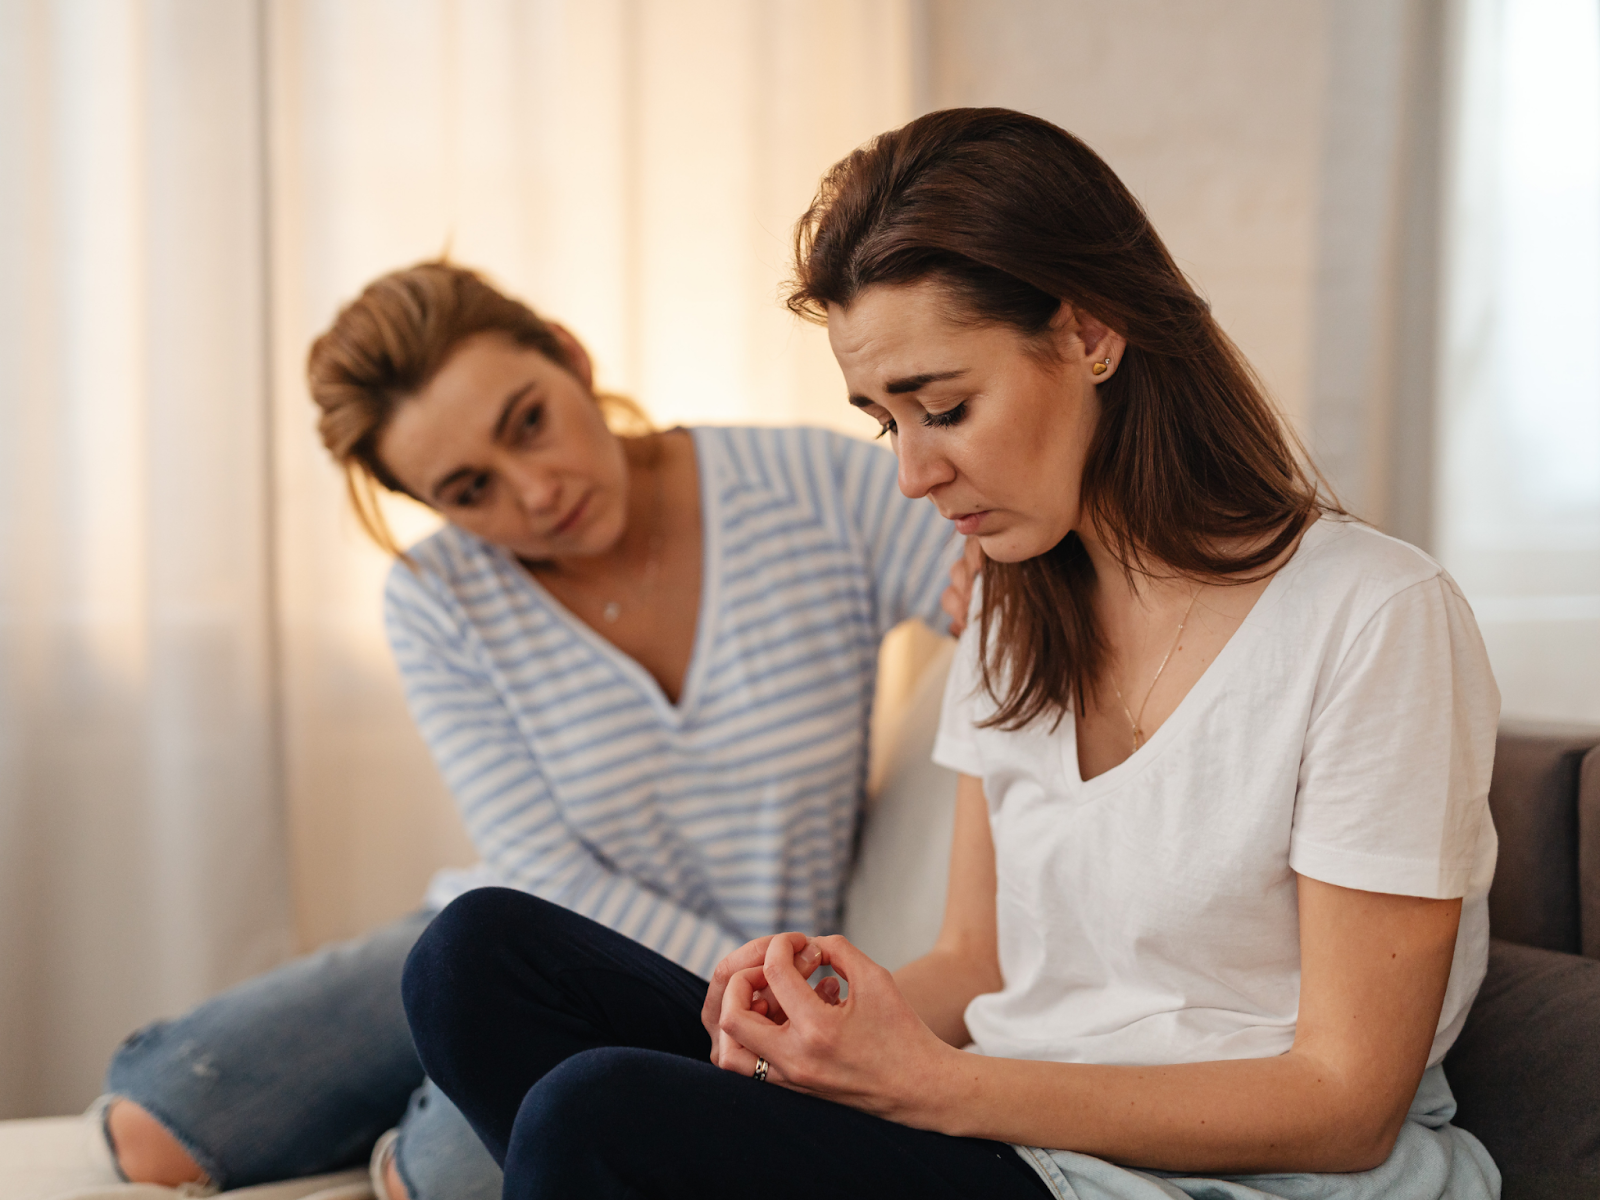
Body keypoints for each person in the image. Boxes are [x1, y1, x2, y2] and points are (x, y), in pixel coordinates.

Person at [401, 108, 1503, 1200]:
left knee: (595, 1114)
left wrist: (929, 1088)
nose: (912, 474)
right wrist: (816, 1014)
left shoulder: (1374, 616)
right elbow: (977, 967)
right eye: (889, 422)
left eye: (943, 406)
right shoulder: (1014, 608)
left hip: (1198, 1179)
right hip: (1005, 1134)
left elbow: (1346, 1104)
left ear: (1090, 333)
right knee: (476, 959)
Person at [98, 261, 965, 1200]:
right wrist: (740, 996)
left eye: (528, 423)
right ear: (435, 507)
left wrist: (997, 590)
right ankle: (425, 1065)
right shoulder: (439, 599)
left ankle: (416, 1116)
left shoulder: (807, 488)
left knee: (435, 1183)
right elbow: (540, 869)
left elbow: (1007, 572)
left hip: (721, 991)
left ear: (569, 357)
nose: (537, 491)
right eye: (472, 489)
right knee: (154, 1134)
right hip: (516, 946)